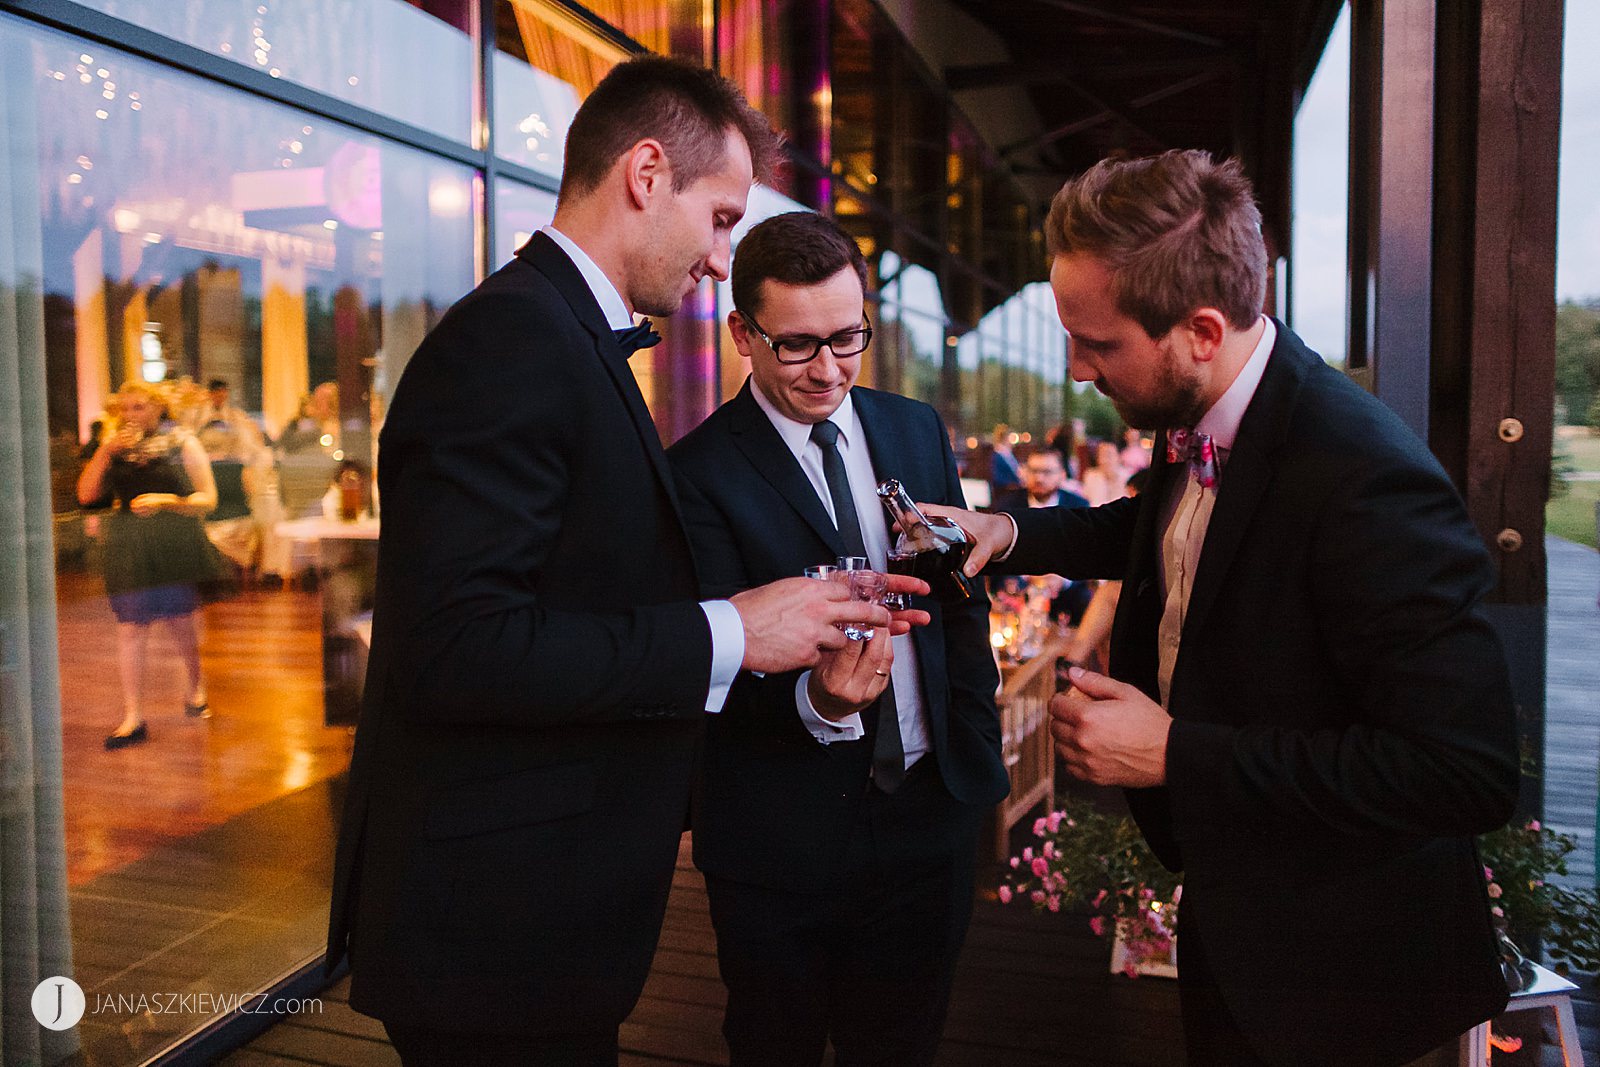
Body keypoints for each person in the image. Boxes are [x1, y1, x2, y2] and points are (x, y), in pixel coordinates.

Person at [325, 57, 896, 1067]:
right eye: (720, 217)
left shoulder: (558, 334)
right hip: (493, 932)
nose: (724, 258)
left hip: (535, 918)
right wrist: (733, 629)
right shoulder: (509, 343)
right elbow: (457, 648)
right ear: (644, 173)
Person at [922, 149, 1518, 1067]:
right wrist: (1008, 533)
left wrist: (1171, 752)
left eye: (1099, 343)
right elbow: (1165, 526)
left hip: (1348, 980)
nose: (1077, 370)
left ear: (1201, 330)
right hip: (1239, 926)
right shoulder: (1203, 407)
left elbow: (1463, 771)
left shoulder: (1369, 480)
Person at [667, 211, 1007, 1066]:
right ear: (743, 332)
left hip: (932, 818)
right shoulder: (693, 474)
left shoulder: (914, 426)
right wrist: (816, 701)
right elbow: (695, 668)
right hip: (779, 848)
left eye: (849, 337)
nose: (830, 370)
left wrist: (971, 737)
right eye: (798, 345)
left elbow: (959, 602)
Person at [76, 381, 222, 747]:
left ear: (159, 408)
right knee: (131, 626)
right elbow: (86, 494)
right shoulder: (115, 449)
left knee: (180, 624)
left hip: (172, 541)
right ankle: (133, 716)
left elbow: (208, 499)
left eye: (138, 407)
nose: (130, 415)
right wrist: (105, 451)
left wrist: (166, 499)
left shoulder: (182, 442)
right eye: (124, 409)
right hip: (129, 543)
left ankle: (195, 688)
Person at [992, 448, 1091, 624]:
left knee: (1085, 598)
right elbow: (996, 554)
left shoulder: (1078, 506)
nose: (1039, 478)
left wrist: (1062, 581)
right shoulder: (1007, 504)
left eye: (1046, 472)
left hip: (1065, 591)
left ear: (1061, 475)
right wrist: (1026, 577)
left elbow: (1086, 555)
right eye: (1033, 471)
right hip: (1019, 587)